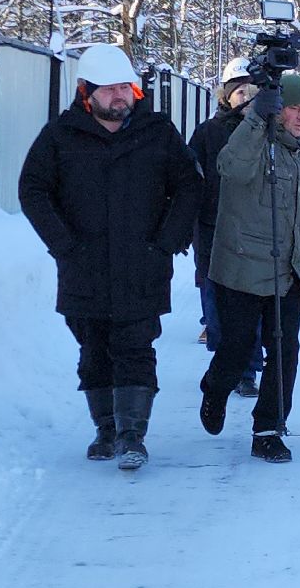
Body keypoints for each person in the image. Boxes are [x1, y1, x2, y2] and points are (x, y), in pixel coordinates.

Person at [18, 44, 199, 471]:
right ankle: (105, 429)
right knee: (94, 349)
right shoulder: (61, 136)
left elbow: (190, 185)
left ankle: (133, 434)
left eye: (127, 88)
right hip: (84, 267)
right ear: (87, 91)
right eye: (112, 89)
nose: (122, 97)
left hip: (143, 264)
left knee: (136, 347)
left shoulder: (156, 131)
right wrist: (64, 245)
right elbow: (33, 191)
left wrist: (168, 240)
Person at [200, 70, 300, 463]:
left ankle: (268, 429)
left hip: (288, 271)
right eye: (293, 109)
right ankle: (215, 388)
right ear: (276, 110)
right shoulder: (254, 140)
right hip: (243, 268)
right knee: (235, 349)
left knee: (284, 352)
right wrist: (255, 119)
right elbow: (231, 168)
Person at [186, 57, 265, 396]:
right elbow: (189, 180)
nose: (247, 99)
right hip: (214, 235)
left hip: (255, 236)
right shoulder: (207, 133)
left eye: (253, 92)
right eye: (241, 92)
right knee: (216, 310)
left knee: (251, 309)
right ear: (228, 95)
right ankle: (225, 365)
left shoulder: (267, 132)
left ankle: (247, 371)